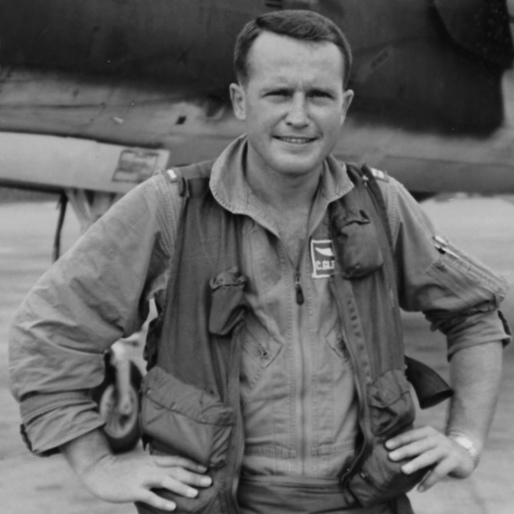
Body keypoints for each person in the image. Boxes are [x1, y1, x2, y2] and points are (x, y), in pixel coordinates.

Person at [9, 10, 510, 514]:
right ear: (240, 100)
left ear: (344, 106)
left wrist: (464, 440)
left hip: (363, 502)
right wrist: (97, 464)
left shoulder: (381, 204)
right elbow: (50, 332)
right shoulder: (171, 207)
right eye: (277, 94)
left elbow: (475, 311)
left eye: (319, 96)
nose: (299, 116)